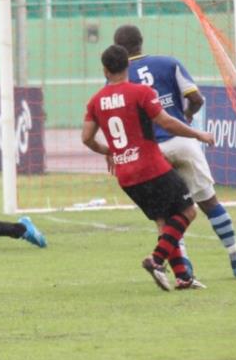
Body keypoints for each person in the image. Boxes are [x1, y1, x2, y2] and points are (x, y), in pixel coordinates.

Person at [114, 25, 236, 279]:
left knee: (168, 214)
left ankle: (183, 265)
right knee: (210, 202)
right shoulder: (170, 63)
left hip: (152, 151)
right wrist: (185, 117)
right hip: (183, 141)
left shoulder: (120, 78)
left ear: (118, 50)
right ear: (142, 42)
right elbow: (196, 98)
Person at [82, 45, 215, 291]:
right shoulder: (141, 92)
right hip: (151, 166)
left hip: (125, 175)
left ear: (104, 70)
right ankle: (155, 260)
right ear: (128, 67)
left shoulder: (95, 101)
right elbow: (166, 122)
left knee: (165, 222)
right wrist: (197, 134)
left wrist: (109, 151)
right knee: (188, 212)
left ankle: (183, 277)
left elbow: (87, 139)